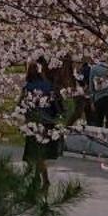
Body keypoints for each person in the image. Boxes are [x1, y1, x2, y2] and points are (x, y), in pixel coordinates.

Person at [20, 58, 63, 187]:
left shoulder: (27, 87)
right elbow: (55, 104)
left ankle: (41, 179)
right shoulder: (48, 85)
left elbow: (21, 105)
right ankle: (38, 178)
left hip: (34, 123)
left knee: (35, 153)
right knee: (41, 153)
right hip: (48, 122)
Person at [84, 56, 108, 128]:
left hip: (98, 98)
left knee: (98, 122)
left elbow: (91, 86)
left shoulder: (93, 69)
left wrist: (92, 102)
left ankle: (99, 137)